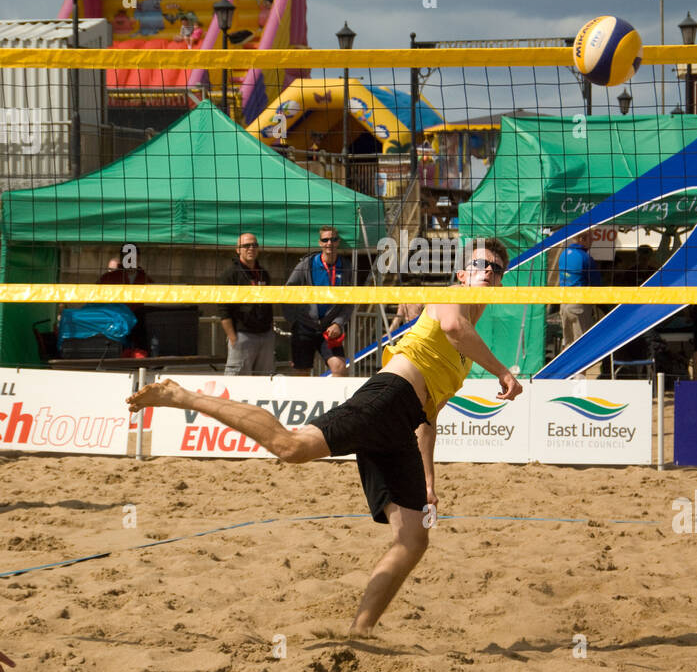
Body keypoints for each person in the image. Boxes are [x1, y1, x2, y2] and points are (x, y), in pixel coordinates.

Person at [128, 239, 521, 635]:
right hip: (386, 398)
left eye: (495, 269)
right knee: (292, 447)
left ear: (502, 282)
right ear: (462, 274)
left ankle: (360, 631)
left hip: (404, 423)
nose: (486, 272)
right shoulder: (451, 299)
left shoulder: (466, 356)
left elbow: (429, 417)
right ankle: (180, 395)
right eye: (478, 265)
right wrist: (503, 371)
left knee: (413, 539)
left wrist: (430, 481)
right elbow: (453, 327)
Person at [285, 228, 352, 377]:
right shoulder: (307, 264)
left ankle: (337, 401)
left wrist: (338, 323)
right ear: (319, 243)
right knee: (301, 373)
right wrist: (294, 321)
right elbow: (287, 291)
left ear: (338, 242)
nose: (329, 243)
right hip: (305, 326)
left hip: (329, 328)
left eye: (333, 239)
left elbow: (350, 301)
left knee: (340, 368)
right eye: (325, 240)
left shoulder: (346, 267)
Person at [219, 233, 275, 376]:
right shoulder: (230, 274)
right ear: (238, 250)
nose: (251, 248)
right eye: (246, 245)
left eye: (254, 245)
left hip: (265, 335)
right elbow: (223, 310)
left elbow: (269, 304)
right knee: (237, 382)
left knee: (264, 382)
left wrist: (270, 331)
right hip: (243, 336)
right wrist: (233, 338)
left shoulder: (263, 273)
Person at [559, 232, 601, 348]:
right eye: (590, 239)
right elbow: (597, 285)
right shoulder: (585, 257)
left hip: (564, 304)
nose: (592, 242)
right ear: (582, 239)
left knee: (567, 344)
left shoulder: (563, 255)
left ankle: (567, 366)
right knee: (582, 346)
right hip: (579, 305)